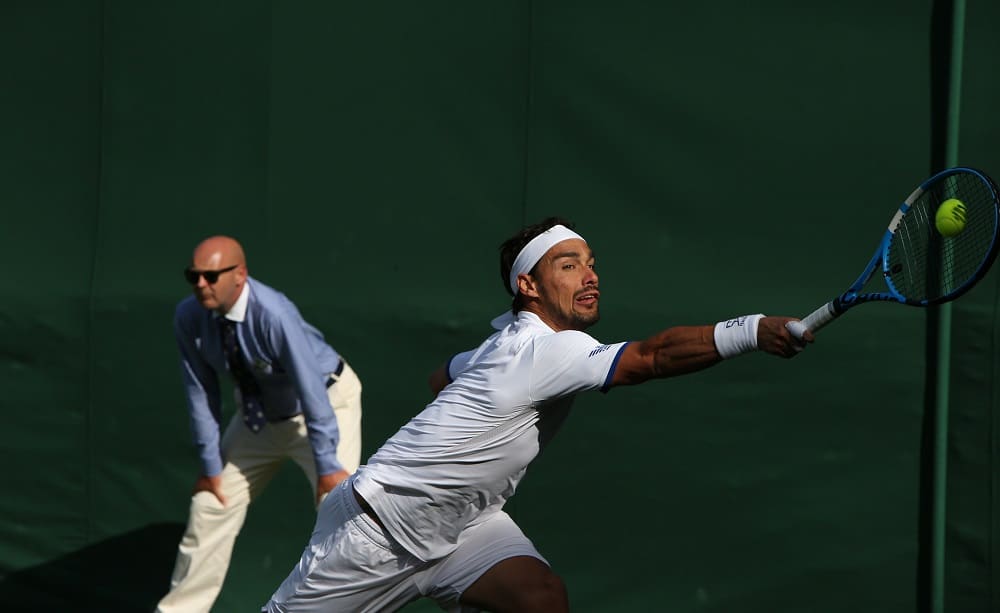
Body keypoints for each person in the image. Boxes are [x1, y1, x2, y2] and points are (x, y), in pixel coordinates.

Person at [262, 218, 812, 613]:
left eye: (591, 264)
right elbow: (650, 358)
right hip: (380, 528)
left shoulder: (508, 343)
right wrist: (753, 330)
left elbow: (442, 376)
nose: (589, 276)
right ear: (528, 285)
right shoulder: (545, 348)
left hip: (467, 523)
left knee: (540, 598)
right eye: (568, 266)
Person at [156, 235, 363, 613]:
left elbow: (310, 388)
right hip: (258, 418)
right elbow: (199, 391)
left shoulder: (274, 314)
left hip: (326, 404)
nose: (201, 284)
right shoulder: (189, 316)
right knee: (209, 505)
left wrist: (328, 464)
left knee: (337, 513)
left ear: (240, 275)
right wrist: (210, 465)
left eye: (211, 275)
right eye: (194, 275)